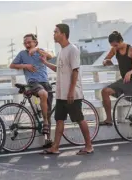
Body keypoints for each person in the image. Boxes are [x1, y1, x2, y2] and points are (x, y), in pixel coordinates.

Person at [40, 24, 93, 155]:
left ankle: (89, 146)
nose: (53, 34)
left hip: (72, 94)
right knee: (59, 119)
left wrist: (71, 92)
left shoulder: (72, 50)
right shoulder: (62, 51)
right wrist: (45, 63)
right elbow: (59, 69)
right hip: (61, 94)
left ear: (63, 34)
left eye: (55, 32)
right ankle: (55, 147)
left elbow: (75, 71)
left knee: (79, 119)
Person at [10, 33, 54, 147]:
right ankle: (44, 121)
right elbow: (12, 65)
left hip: (45, 82)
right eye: (25, 43)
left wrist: (37, 49)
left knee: (48, 111)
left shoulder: (40, 51)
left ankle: (48, 140)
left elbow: (50, 57)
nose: (27, 45)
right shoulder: (22, 54)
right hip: (33, 83)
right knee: (43, 94)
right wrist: (26, 66)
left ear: (35, 42)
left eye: (29, 42)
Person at [100, 31, 132, 127]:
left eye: (116, 45)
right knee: (105, 91)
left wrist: (129, 72)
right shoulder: (114, 50)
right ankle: (108, 119)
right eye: (112, 46)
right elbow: (105, 59)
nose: (114, 48)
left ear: (120, 41)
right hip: (124, 80)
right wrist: (106, 61)